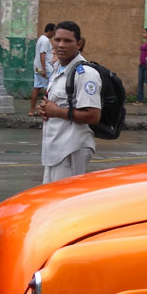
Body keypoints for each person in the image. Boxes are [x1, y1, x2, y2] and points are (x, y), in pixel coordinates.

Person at [36, 21, 102, 183]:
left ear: (79, 44)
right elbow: (58, 104)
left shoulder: (85, 74)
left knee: (65, 204)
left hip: (71, 149)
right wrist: (46, 109)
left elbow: (93, 116)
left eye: (67, 41)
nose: (61, 45)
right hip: (55, 149)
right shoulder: (59, 68)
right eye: (57, 40)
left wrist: (56, 111)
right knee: (50, 202)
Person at [29, 23, 56, 116]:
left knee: (37, 87)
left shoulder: (41, 39)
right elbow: (42, 54)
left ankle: (31, 111)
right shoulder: (45, 41)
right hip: (45, 68)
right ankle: (46, 110)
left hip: (37, 67)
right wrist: (44, 69)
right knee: (52, 87)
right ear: (50, 30)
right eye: (54, 31)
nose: (54, 34)